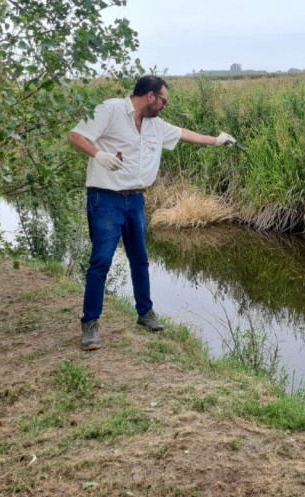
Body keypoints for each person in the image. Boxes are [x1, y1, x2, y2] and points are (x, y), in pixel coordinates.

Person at [68, 74, 236, 351]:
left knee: (140, 260)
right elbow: (76, 135)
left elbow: (183, 134)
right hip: (105, 199)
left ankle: (145, 314)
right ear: (150, 96)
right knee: (100, 262)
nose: (164, 107)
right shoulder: (110, 110)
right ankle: (90, 324)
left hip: (135, 200)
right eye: (164, 101)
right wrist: (98, 155)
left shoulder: (155, 126)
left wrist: (216, 141)